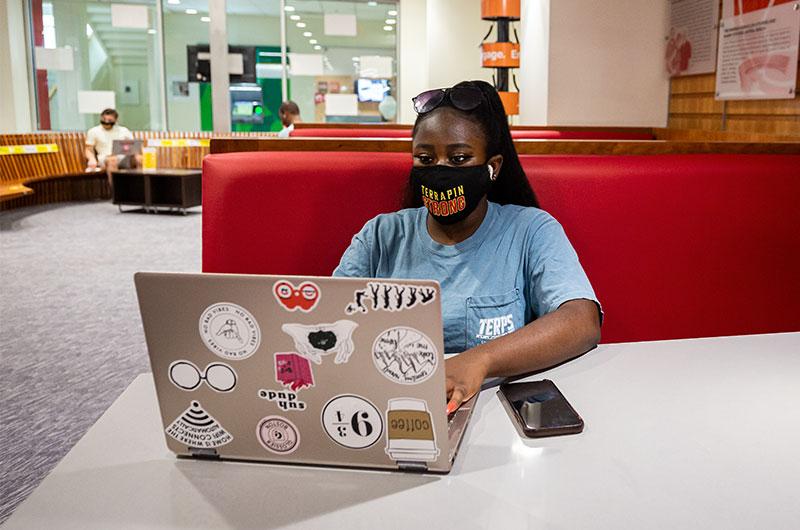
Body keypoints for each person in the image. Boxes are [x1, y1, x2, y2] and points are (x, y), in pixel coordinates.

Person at [333, 80, 602, 415]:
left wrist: (481, 360)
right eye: (425, 158)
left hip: (496, 409)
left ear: (493, 166)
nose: (440, 170)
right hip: (392, 405)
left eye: (459, 158)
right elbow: (331, 320)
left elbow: (581, 321)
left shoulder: (531, 230)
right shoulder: (380, 236)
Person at [85, 108, 139, 183]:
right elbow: (89, 149)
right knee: (112, 160)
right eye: (104, 119)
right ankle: (115, 191)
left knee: (140, 159)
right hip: (105, 158)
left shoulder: (123, 131)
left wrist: (136, 154)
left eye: (110, 120)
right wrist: (91, 159)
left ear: (115, 120)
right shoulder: (94, 131)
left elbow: (133, 145)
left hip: (122, 157)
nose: (106, 122)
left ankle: (143, 188)